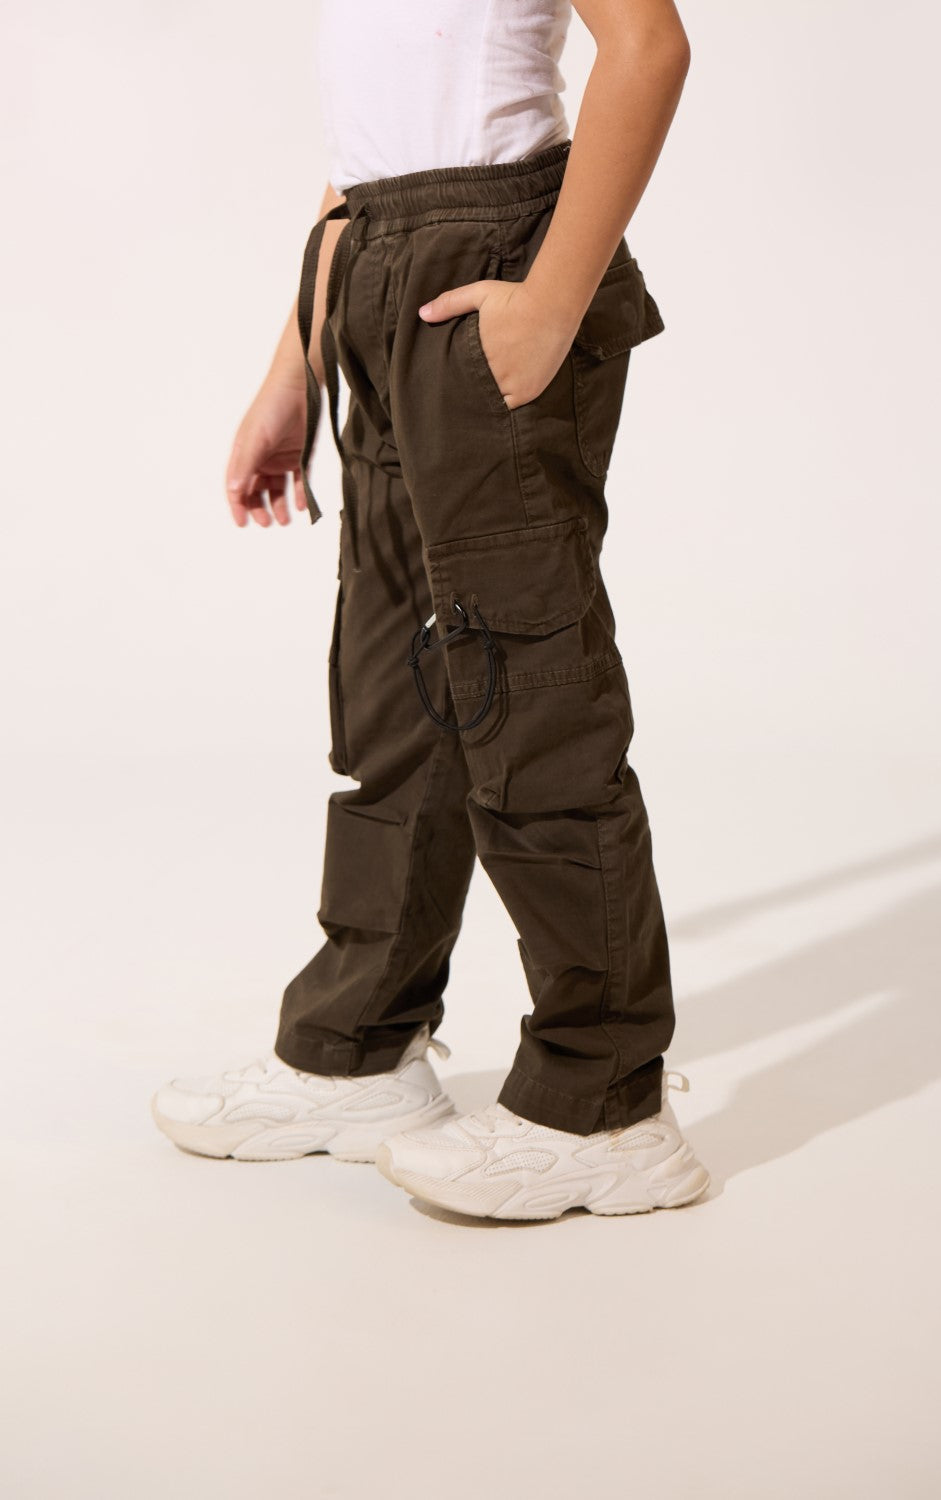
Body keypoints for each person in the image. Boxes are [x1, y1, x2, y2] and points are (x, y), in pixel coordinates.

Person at [152, 0, 709, 1221]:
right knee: (398, 689)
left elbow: (648, 46)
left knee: (529, 693)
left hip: (492, 258)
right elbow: (369, 160)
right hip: (373, 269)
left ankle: (605, 1100)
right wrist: (293, 368)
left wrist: (550, 302)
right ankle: (359, 1049)